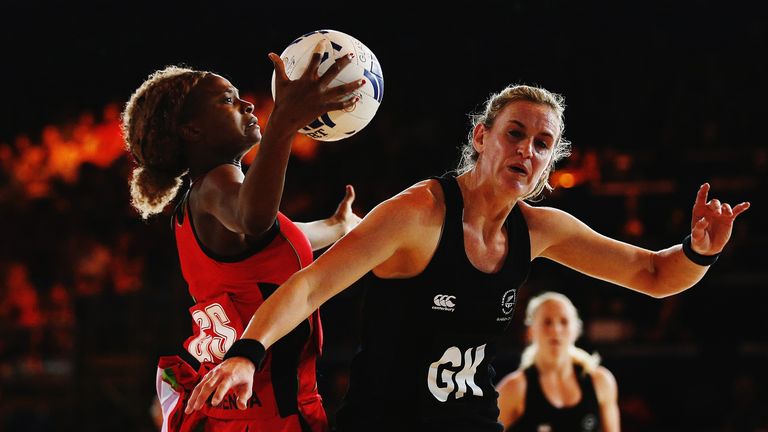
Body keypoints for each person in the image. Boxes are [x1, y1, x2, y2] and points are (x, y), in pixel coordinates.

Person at [184, 84, 750, 432]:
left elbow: (654, 274)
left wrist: (700, 250)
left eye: (542, 144)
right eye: (514, 133)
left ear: (549, 163)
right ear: (481, 138)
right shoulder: (417, 213)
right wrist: (248, 353)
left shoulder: (541, 229)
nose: (526, 149)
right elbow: (310, 286)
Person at [122, 41, 364, 432]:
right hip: (265, 410)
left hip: (234, 410)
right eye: (227, 100)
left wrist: (336, 227)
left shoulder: (200, 205)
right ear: (192, 130)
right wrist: (283, 123)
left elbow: (277, 240)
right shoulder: (218, 185)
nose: (248, 105)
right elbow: (254, 219)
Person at [496, 291, 619, 432]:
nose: (556, 330)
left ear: (576, 330)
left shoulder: (601, 382)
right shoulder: (514, 388)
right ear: (531, 331)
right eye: (547, 322)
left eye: (564, 322)